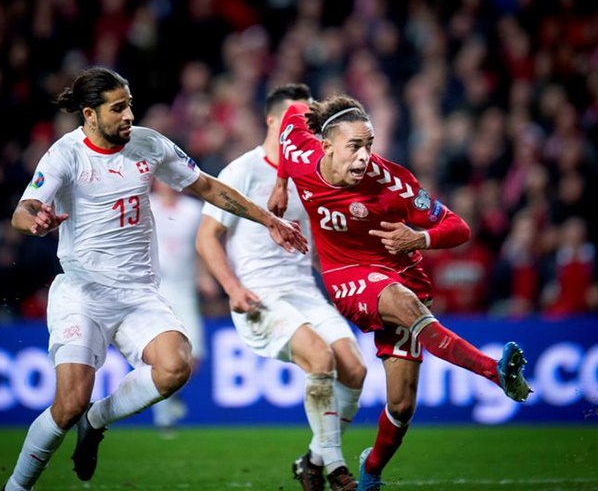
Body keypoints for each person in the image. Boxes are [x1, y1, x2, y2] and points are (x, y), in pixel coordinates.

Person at [1, 66, 307, 491]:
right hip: (82, 294)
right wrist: (34, 220)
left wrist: (267, 218)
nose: (129, 115)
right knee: (67, 404)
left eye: (130, 105)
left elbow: (206, 187)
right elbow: (25, 209)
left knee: (175, 366)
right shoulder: (64, 155)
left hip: (139, 295)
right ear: (89, 114)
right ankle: (16, 486)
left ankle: (97, 419)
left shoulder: (148, 144)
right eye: (118, 108)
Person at [267, 95, 533, 491]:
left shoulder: (392, 181)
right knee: (400, 300)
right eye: (355, 146)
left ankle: (370, 473)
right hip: (347, 276)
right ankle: (493, 371)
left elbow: (459, 228)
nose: (364, 157)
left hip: (402, 273)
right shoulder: (300, 152)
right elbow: (291, 113)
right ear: (327, 146)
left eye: (369, 145)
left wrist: (419, 237)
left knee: (402, 405)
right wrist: (281, 184)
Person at [196, 83, 367, 491]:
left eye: (310, 118)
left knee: (356, 371)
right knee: (320, 359)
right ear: (273, 120)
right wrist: (233, 289)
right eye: (295, 116)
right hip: (261, 294)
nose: (303, 125)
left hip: (304, 291)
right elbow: (206, 237)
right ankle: (337, 467)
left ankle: (311, 460)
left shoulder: (314, 170)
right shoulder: (243, 170)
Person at [148, 179, 214, 435]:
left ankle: (173, 397)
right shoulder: (148, 206)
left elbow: (201, 247)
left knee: (193, 357)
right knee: (160, 354)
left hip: (185, 289)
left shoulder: (193, 210)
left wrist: (205, 275)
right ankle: (164, 416)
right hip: (155, 289)